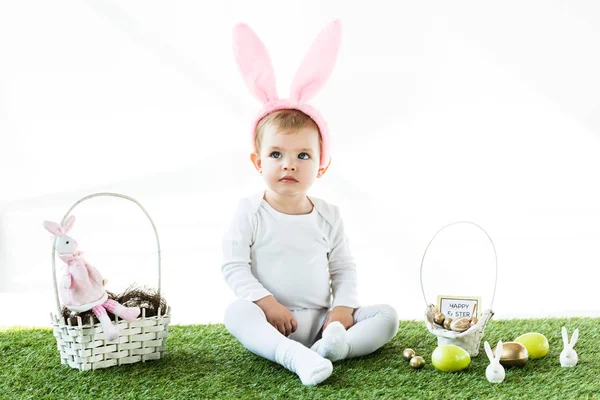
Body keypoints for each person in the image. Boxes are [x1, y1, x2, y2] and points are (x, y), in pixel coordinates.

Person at [222, 20, 399, 386]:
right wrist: (267, 305)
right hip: (272, 320)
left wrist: (341, 312)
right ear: (258, 162)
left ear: (322, 164)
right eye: (276, 153)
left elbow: (344, 268)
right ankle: (291, 355)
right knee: (236, 313)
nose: (289, 163)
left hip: (323, 322)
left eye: (303, 155)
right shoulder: (250, 211)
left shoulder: (329, 215)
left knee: (387, 316)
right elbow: (234, 267)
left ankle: (337, 349)